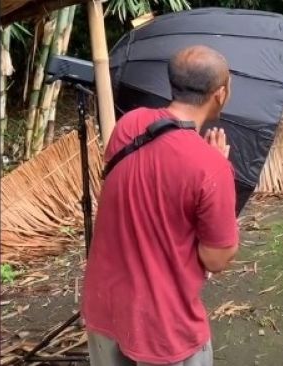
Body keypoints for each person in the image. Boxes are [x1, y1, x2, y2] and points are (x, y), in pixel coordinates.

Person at [82, 45, 240, 366]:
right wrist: (215, 166)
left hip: (105, 306)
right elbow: (217, 258)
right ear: (220, 93)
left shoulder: (130, 124)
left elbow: (135, 190)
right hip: (164, 327)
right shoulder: (211, 168)